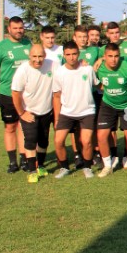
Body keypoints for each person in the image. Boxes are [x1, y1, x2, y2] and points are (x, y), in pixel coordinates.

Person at [0, 16, 32, 173]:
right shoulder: (0, 47)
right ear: (9, 29)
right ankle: (13, 162)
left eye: (21, 28)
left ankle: (24, 160)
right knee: (10, 127)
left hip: (25, 94)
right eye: (15, 28)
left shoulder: (28, 44)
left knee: (24, 126)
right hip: (7, 93)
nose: (19, 31)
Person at [52, 41, 98, 179]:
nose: (71, 57)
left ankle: (87, 167)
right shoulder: (59, 72)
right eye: (68, 54)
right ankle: (64, 168)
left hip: (87, 111)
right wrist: (57, 118)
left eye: (74, 54)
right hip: (67, 112)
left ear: (78, 54)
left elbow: (97, 85)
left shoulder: (87, 69)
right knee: (58, 141)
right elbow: (56, 96)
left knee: (86, 141)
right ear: (64, 55)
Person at [11, 44, 54, 183]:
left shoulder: (52, 65)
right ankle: (32, 171)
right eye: (34, 56)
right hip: (29, 112)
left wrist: (82, 63)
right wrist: (22, 113)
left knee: (43, 141)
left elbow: (67, 69)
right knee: (30, 140)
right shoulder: (23, 70)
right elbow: (15, 93)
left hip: (46, 111)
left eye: (40, 56)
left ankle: (40, 166)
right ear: (29, 56)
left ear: (45, 56)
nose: (37, 60)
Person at [95, 42, 127, 177]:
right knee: (101, 136)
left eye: (116, 56)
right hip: (108, 104)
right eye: (110, 56)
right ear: (104, 56)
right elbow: (96, 83)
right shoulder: (99, 68)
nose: (113, 59)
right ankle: (108, 166)